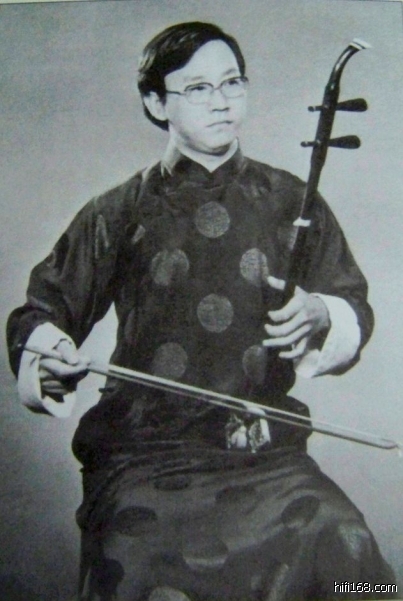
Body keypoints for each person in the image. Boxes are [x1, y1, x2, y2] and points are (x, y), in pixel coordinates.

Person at [7, 21, 396, 601]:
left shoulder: (291, 200)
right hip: (146, 456)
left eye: (232, 83)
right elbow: (42, 311)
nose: (221, 102)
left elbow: (352, 302)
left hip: (266, 457)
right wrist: (51, 352)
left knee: (353, 559)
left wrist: (323, 312)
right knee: (134, 570)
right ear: (155, 103)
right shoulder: (120, 210)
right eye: (197, 88)